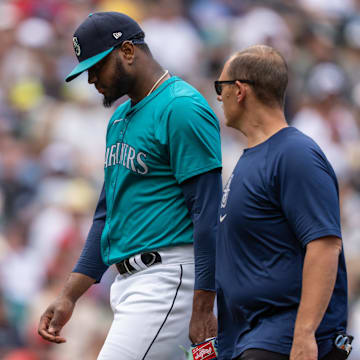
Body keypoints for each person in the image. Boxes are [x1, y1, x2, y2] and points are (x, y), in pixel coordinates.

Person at [38, 12, 222, 360]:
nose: (91, 78)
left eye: (97, 66)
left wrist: (203, 304)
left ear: (127, 51)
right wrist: (69, 295)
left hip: (169, 277)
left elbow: (207, 212)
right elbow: (106, 216)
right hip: (128, 284)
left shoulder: (181, 107)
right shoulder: (120, 119)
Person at [215, 45, 350, 360]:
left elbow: (325, 245)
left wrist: (304, 334)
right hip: (249, 336)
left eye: (220, 88)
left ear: (240, 90)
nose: (218, 98)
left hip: (282, 338)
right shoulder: (253, 157)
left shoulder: (294, 154)